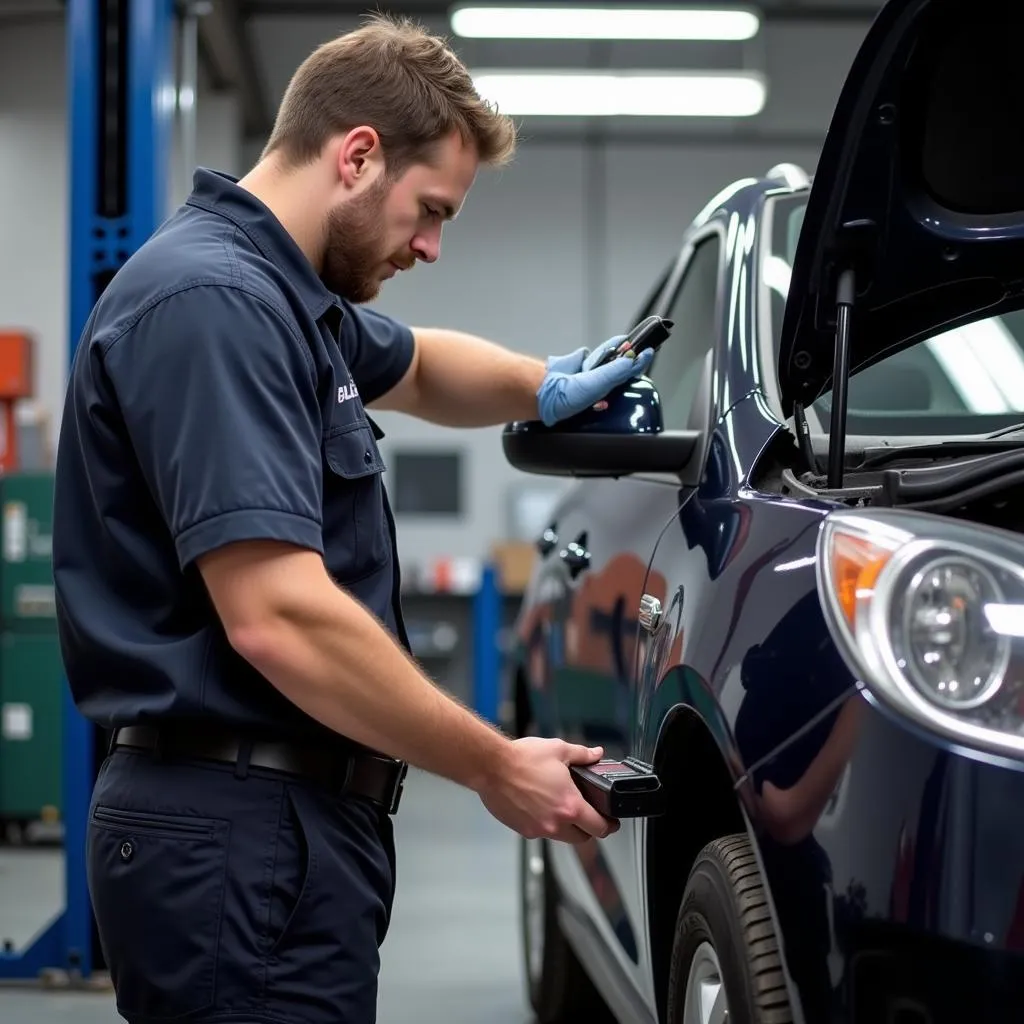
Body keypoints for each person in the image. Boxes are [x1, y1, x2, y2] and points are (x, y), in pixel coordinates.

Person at [51, 12, 653, 1024]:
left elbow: (416, 364)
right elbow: (276, 615)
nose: (429, 245)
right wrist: (493, 764)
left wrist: (547, 384)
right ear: (358, 155)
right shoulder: (216, 303)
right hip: (234, 835)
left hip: (272, 827)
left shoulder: (291, 301)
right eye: (428, 210)